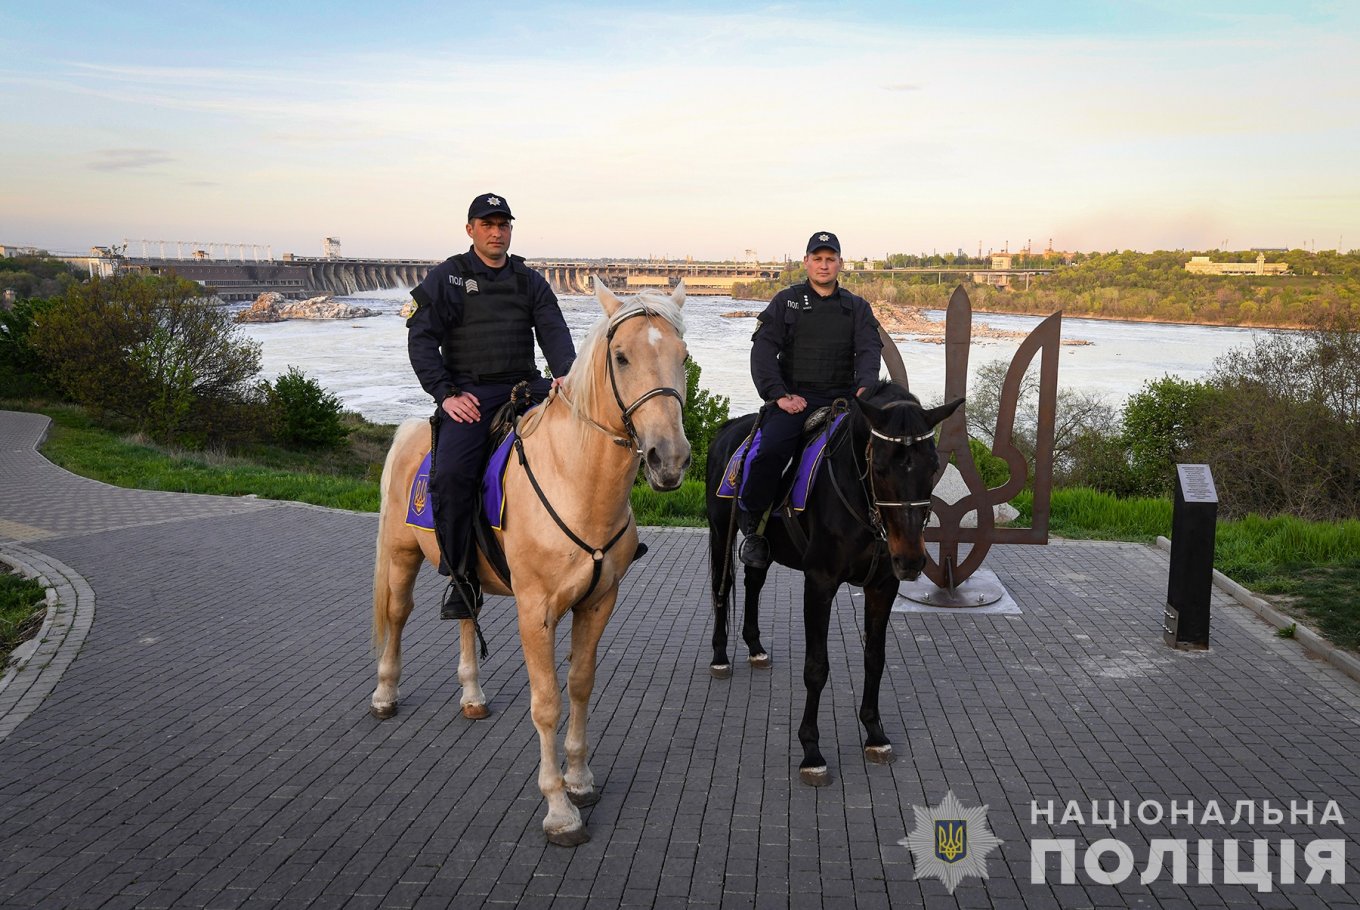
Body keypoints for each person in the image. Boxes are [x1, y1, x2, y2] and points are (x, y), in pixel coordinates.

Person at [407, 192, 576, 618]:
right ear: (471, 230)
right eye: (487, 224)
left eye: (503, 225)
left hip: (527, 387)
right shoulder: (448, 277)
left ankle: (610, 542)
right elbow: (421, 339)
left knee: (589, 437)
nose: (496, 232)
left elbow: (554, 331)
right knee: (451, 475)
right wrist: (445, 394)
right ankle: (462, 576)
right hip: (472, 394)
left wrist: (566, 375)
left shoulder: (529, 280)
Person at [738, 231, 883, 568]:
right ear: (806, 262)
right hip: (796, 401)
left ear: (840, 264)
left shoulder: (857, 307)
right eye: (817, 259)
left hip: (844, 402)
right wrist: (779, 395)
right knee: (771, 450)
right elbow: (763, 351)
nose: (824, 265)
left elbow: (869, 350)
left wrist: (865, 389)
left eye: (830, 259)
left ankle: (884, 527)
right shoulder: (786, 301)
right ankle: (755, 529)